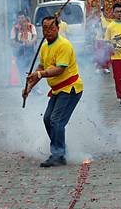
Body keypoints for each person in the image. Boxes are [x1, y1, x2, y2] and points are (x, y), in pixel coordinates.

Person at [23, 16, 83, 168]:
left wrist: (40, 74)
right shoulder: (44, 47)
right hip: (57, 90)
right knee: (47, 119)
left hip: (70, 88)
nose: (48, 31)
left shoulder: (64, 45)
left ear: (58, 28)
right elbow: (40, 68)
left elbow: (59, 69)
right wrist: (29, 87)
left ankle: (58, 154)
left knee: (56, 120)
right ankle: (60, 150)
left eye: (51, 28)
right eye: (44, 28)